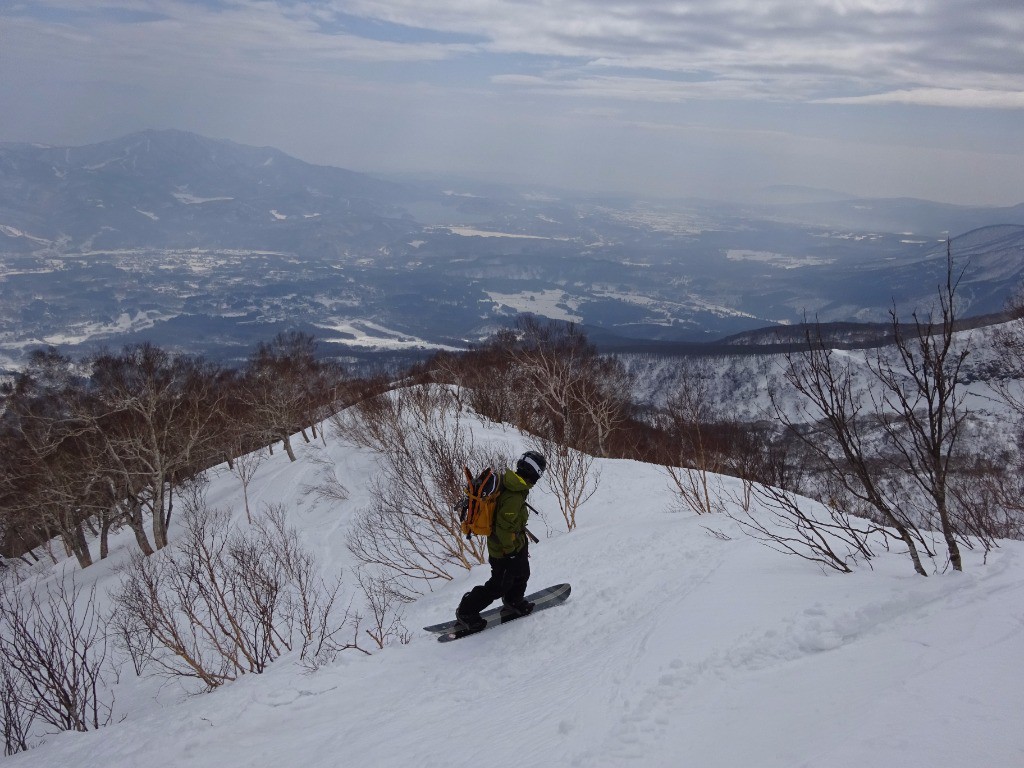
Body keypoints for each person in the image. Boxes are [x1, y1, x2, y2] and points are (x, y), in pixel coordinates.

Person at [455, 450, 547, 631]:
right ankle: (466, 610)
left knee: (522, 573)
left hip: (516, 543)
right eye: (540, 472)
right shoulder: (514, 495)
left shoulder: (514, 484)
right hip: (503, 550)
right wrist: (511, 553)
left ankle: (514, 601)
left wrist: (518, 548)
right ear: (534, 473)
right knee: (499, 585)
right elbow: (503, 529)